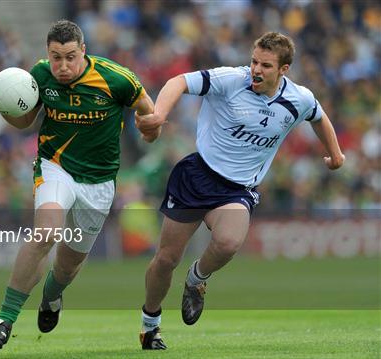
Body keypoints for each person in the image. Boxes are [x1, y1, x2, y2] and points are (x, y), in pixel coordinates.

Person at [134, 32, 345, 350]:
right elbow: (178, 81)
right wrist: (160, 115)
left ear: (284, 70)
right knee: (165, 259)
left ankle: (197, 279)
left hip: (238, 189)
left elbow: (318, 115)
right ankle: (150, 326)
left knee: (229, 242)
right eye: (254, 62)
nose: (256, 70)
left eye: (266, 65)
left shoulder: (297, 99)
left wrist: (335, 153)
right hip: (196, 176)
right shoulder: (230, 79)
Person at [0, 20, 157, 349]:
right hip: (55, 166)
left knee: (69, 263)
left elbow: (150, 116)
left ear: (84, 51)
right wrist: (3, 106)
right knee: (45, 233)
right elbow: (24, 121)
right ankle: (3, 318)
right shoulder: (40, 76)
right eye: (56, 57)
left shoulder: (117, 79)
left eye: (70, 57)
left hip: (100, 179)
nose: (62, 65)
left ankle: (52, 297)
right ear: (47, 53)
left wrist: (151, 129)